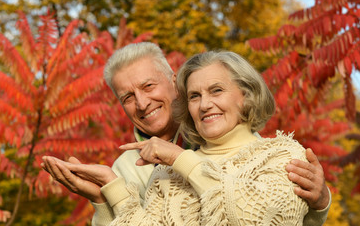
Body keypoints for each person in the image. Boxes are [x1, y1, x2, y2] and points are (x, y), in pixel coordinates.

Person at [41, 43, 330, 225]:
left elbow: (262, 216)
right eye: (128, 97)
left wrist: (319, 203)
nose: (141, 104)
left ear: (172, 84)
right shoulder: (134, 170)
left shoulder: (274, 152)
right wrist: (108, 195)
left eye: (148, 87)